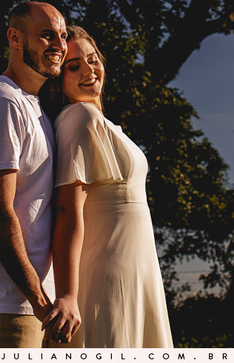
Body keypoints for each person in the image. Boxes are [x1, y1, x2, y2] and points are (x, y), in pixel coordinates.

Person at [40, 26, 174, 348]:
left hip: (136, 269)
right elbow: (66, 209)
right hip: (107, 277)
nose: (88, 70)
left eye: (93, 59)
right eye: (73, 66)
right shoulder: (80, 118)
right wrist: (68, 295)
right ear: (60, 78)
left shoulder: (101, 122)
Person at [0, 1, 80, 347]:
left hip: (33, 306)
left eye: (62, 35)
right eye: (46, 36)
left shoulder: (33, 106)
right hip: (5, 304)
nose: (59, 45)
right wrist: (41, 303)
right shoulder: (3, 102)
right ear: (15, 38)